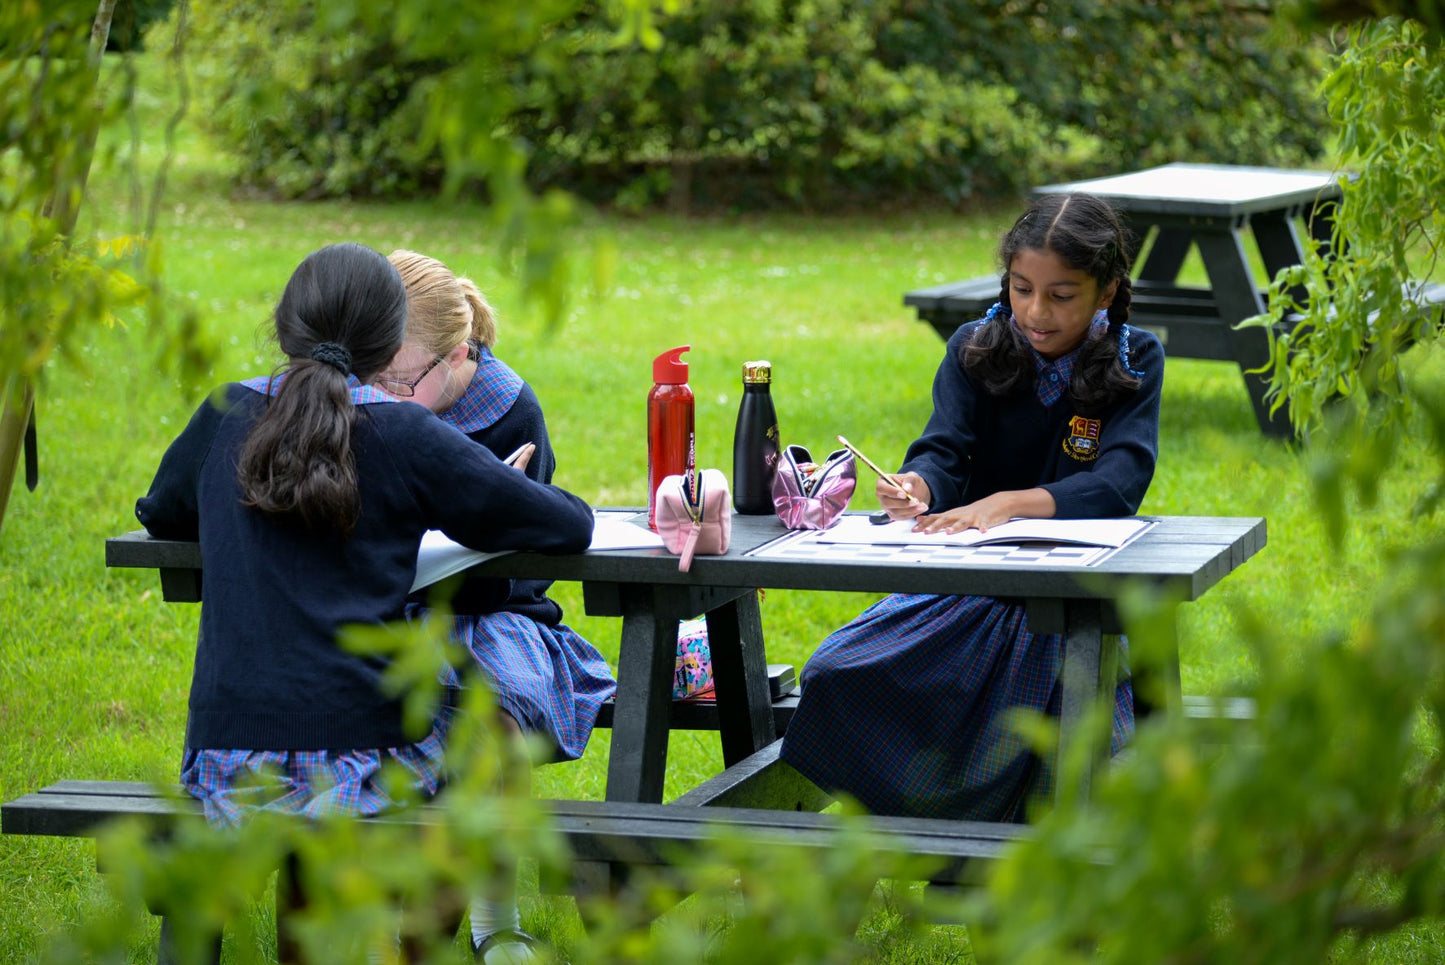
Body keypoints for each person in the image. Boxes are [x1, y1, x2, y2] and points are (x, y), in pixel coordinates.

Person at [135, 243, 595, 961]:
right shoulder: (401, 430)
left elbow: (159, 509)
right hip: (360, 763)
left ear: (284, 326)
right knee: (476, 738)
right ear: (388, 345)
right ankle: (466, 934)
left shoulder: (227, 410)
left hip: (225, 761)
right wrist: (502, 483)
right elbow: (568, 524)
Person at [779, 193, 1164, 823]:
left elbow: (1118, 484)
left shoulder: (1132, 358)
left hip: (1070, 596)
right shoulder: (975, 348)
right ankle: (911, 827)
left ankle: (977, 853)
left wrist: (1009, 504)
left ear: (1106, 291)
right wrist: (920, 488)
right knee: (836, 670)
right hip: (961, 586)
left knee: (1035, 700)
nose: (1036, 312)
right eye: (1021, 289)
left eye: (1062, 295)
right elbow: (943, 452)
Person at [376, 249, 615, 961]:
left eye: (398, 377)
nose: (384, 392)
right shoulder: (381, 404)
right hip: (400, 610)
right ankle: (397, 913)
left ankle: (493, 918)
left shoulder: (511, 409)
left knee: (495, 718)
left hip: (497, 612)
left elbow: (516, 559)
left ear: (455, 357)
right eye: (374, 374)